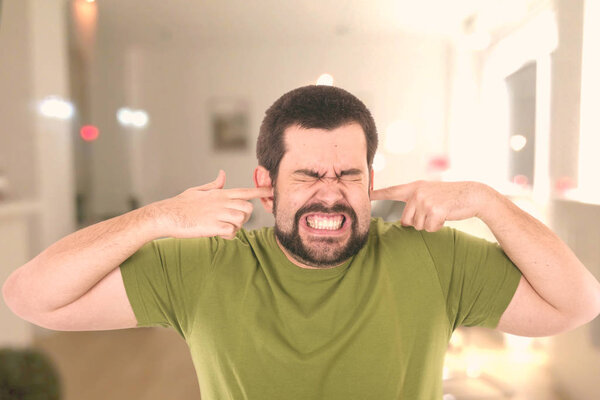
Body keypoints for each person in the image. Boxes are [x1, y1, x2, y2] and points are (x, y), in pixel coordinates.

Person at [3, 85, 600, 399]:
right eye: (309, 175)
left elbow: (579, 303)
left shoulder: (428, 254)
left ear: (371, 180)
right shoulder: (209, 266)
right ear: (266, 184)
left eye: (348, 175)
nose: (330, 194)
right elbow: (31, 298)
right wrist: (156, 218)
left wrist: (489, 203)